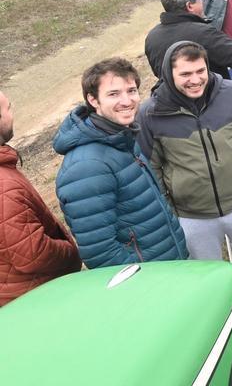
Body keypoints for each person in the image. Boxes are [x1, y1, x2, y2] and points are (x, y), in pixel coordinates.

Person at [137, 41, 232, 328]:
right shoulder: (150, 113)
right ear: (168, 75)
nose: (195, 80)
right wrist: (171, 210)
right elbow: (152, 167)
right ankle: (223, 332)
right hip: (192, 217)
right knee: (206, 283)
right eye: (185, 74)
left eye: (200, 70)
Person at [54, 59, 189, 269]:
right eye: (113, 94)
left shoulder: (122, 138)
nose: (127, 101)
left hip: (167, 264)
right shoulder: (87, 166)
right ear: (93, 100)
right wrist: (142, 280)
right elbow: (100, 251)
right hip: (150, 281)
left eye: (131, 90)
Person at [0, 89, 81, 307]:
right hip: (34, 298)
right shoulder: (3, 187)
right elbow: (32, 254)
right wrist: (71, 252)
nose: (11, 114)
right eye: (7, 108)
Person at [145, 0, 232, 81]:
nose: (203, 1)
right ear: (190, 6)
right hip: (208, 100)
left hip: (171, 101)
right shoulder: (203, 34)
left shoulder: (152, 37)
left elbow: (158, 72)